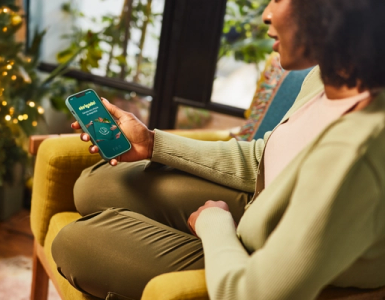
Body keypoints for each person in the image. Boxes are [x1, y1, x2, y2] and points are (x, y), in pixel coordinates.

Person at [51, 0, 385, 299]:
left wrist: (213, 224)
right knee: (97, 184)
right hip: (263, 212)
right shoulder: (326, 79)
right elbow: (262, 160)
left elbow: (254, 294)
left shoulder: (358, 150)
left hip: (267, 264)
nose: (266, 14)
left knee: (76, 244)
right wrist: (152, 143)